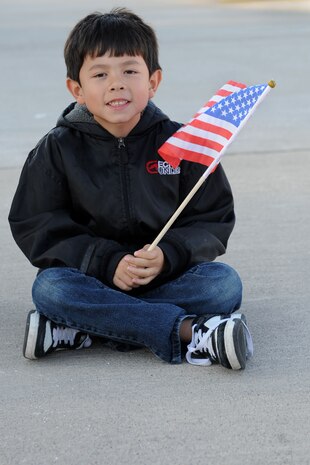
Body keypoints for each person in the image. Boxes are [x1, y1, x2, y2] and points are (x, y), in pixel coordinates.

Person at [8, 8, 253, 370]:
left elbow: (213, 218)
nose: (117, 83)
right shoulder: (58, 149)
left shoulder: (181, 143)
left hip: (164, 276)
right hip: (91, 276)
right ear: (76, 89)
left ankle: (82, 328)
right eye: (100, 74)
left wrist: (169, 255)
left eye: (130, 71)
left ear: (153, 81)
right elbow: (36, 223)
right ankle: (192, 332)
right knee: (52, 288)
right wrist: (105, 262)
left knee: (223, 285)